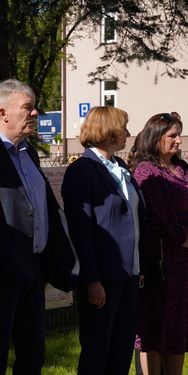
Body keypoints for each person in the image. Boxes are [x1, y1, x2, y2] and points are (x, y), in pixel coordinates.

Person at [0, 79, 76, 375]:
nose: (35, 113)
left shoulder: (29, 153)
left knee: (33, 355)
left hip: (33, 273)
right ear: (3, 113)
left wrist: (46, 266)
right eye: (27, 107)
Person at [61, 106, 146, 375]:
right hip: (103, 277)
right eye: (123, 128)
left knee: (121, 351)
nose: (128, 134)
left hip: (129, 274)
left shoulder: (119, 166)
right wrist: (91, 279)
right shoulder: (82, 170)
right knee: (97, 351)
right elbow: (81, 230)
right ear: (107, 130)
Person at [131, 113, 188, 375]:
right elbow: (161, 218)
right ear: (156, 138)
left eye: (179, 135)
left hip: (183, 265)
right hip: (162, 264)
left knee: (178, 327)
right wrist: (183, 237)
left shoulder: (182, 168)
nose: (179, 141)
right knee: (155, 327)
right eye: (172, 136)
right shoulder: (147, 171)